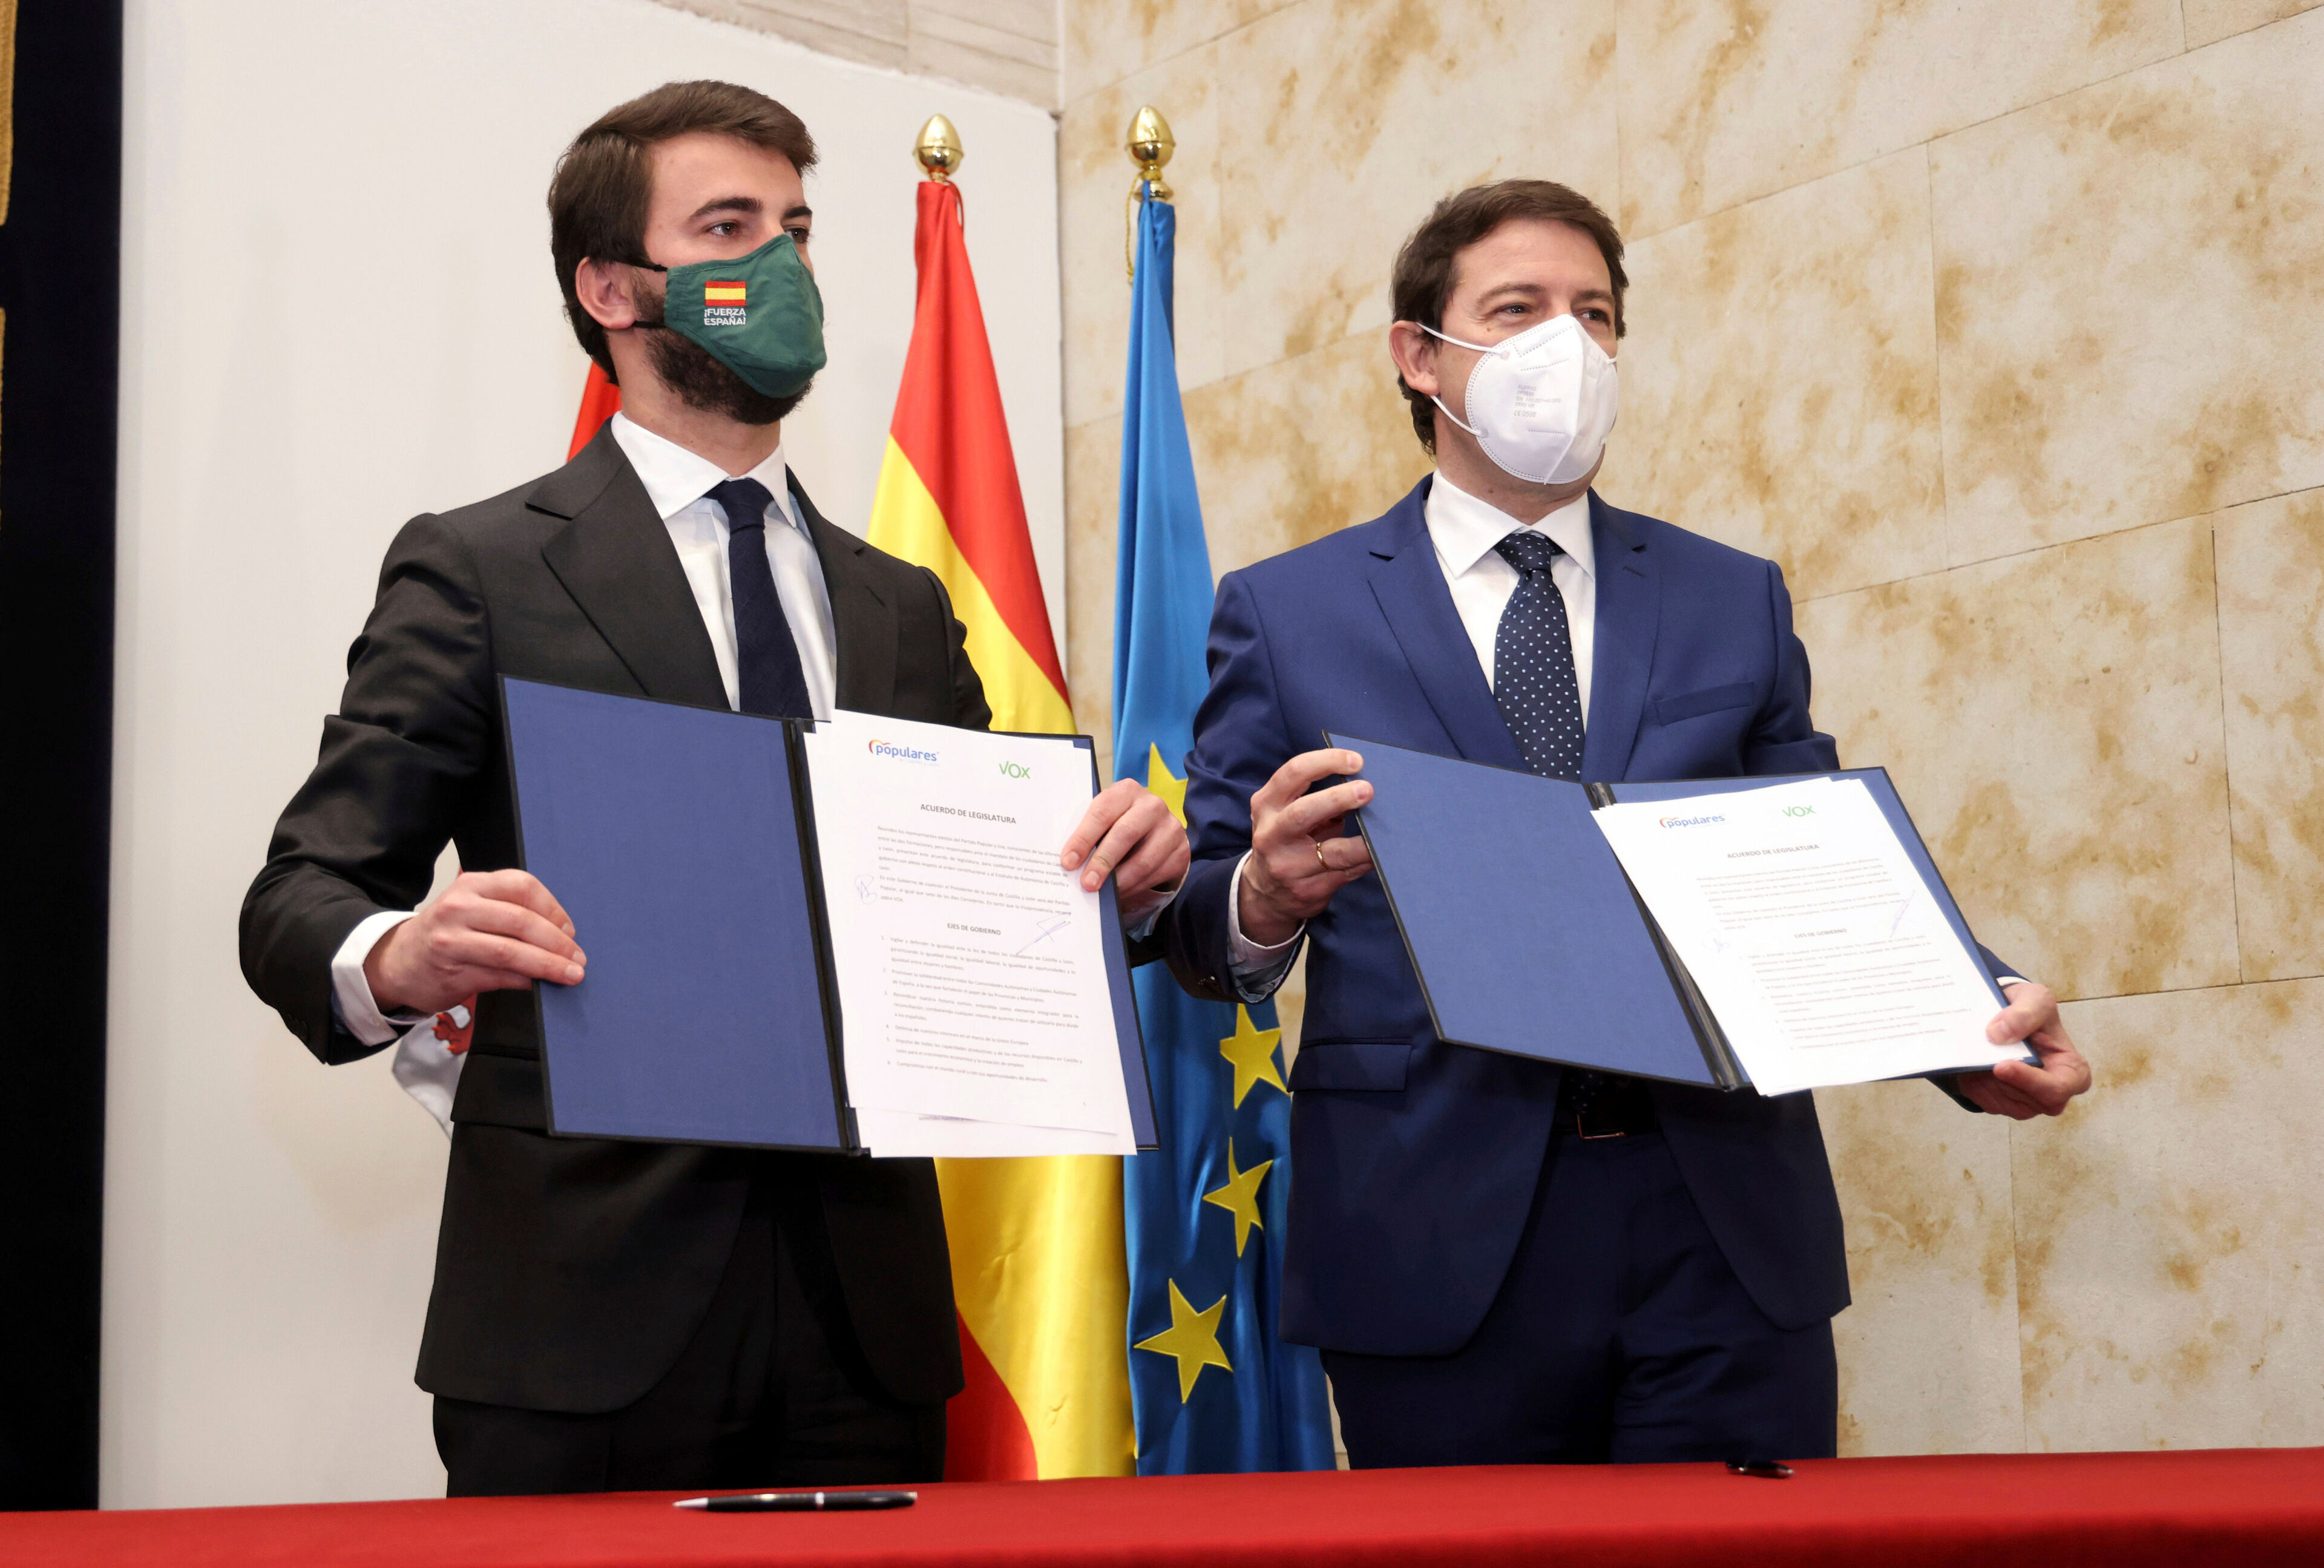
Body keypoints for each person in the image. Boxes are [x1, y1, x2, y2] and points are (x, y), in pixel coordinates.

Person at [239, 80, 1186, 1497]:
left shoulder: (903, 605)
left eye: (796, 230)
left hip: (867, 1327)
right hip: (577, 1321)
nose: (783, 265)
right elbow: (299, 895)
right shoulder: (483, 567)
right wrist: (399, 953)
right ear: (613, 288)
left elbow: (990, 906)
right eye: (731, 228)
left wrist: (1127, 882)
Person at [1155, 180, 2091, 1468]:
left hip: (1721, 1229)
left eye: (1594, 314)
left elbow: (1821, 864)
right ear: (1420, 354)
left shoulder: (1730, 598)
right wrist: (1263, 898)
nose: (1569, 344)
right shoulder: (1286, 610)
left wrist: (1970, 1019)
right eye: (1518, 309)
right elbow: (1197, 925)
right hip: (1428, 1233)